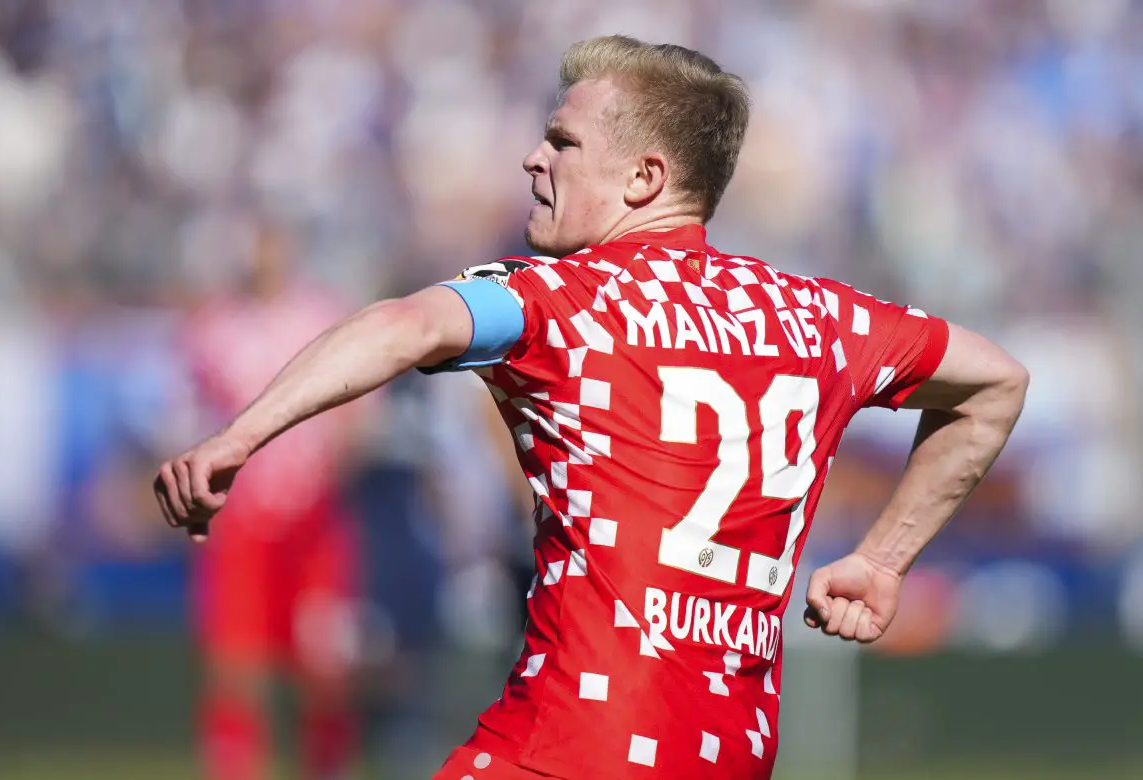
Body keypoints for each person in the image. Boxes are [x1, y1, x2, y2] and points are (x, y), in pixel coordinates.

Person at [154, 36, 1029, 780]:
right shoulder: (821, 317)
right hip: (731, 752)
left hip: (568, 744)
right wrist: (883, 561)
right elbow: (997, 382)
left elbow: (402, 325)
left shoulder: (559, 302)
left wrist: (240, 436)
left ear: (645, 176)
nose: (535, 160)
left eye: (561, 142)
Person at [179, 218, 364, 780]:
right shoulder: (213, 328)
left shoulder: (322, 317)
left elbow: (355, 414)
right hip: (241, 525)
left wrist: (335, 471)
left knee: (324, 668)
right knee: (236, 666)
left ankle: (326, 766)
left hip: (314, 521)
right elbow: (187, 418)